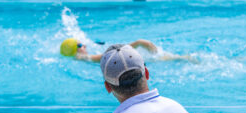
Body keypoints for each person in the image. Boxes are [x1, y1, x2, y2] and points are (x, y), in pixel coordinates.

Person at [60, 38, 195, 63]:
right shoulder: (84, 58)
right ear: (75, 51)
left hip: (126, 60)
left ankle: (183, 58)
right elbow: (110, 53)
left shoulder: (82, 58)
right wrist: (138, 43)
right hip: (128, 60)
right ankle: (184, 58)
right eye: (80, 46)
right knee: (161, 58)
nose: (84, 46)